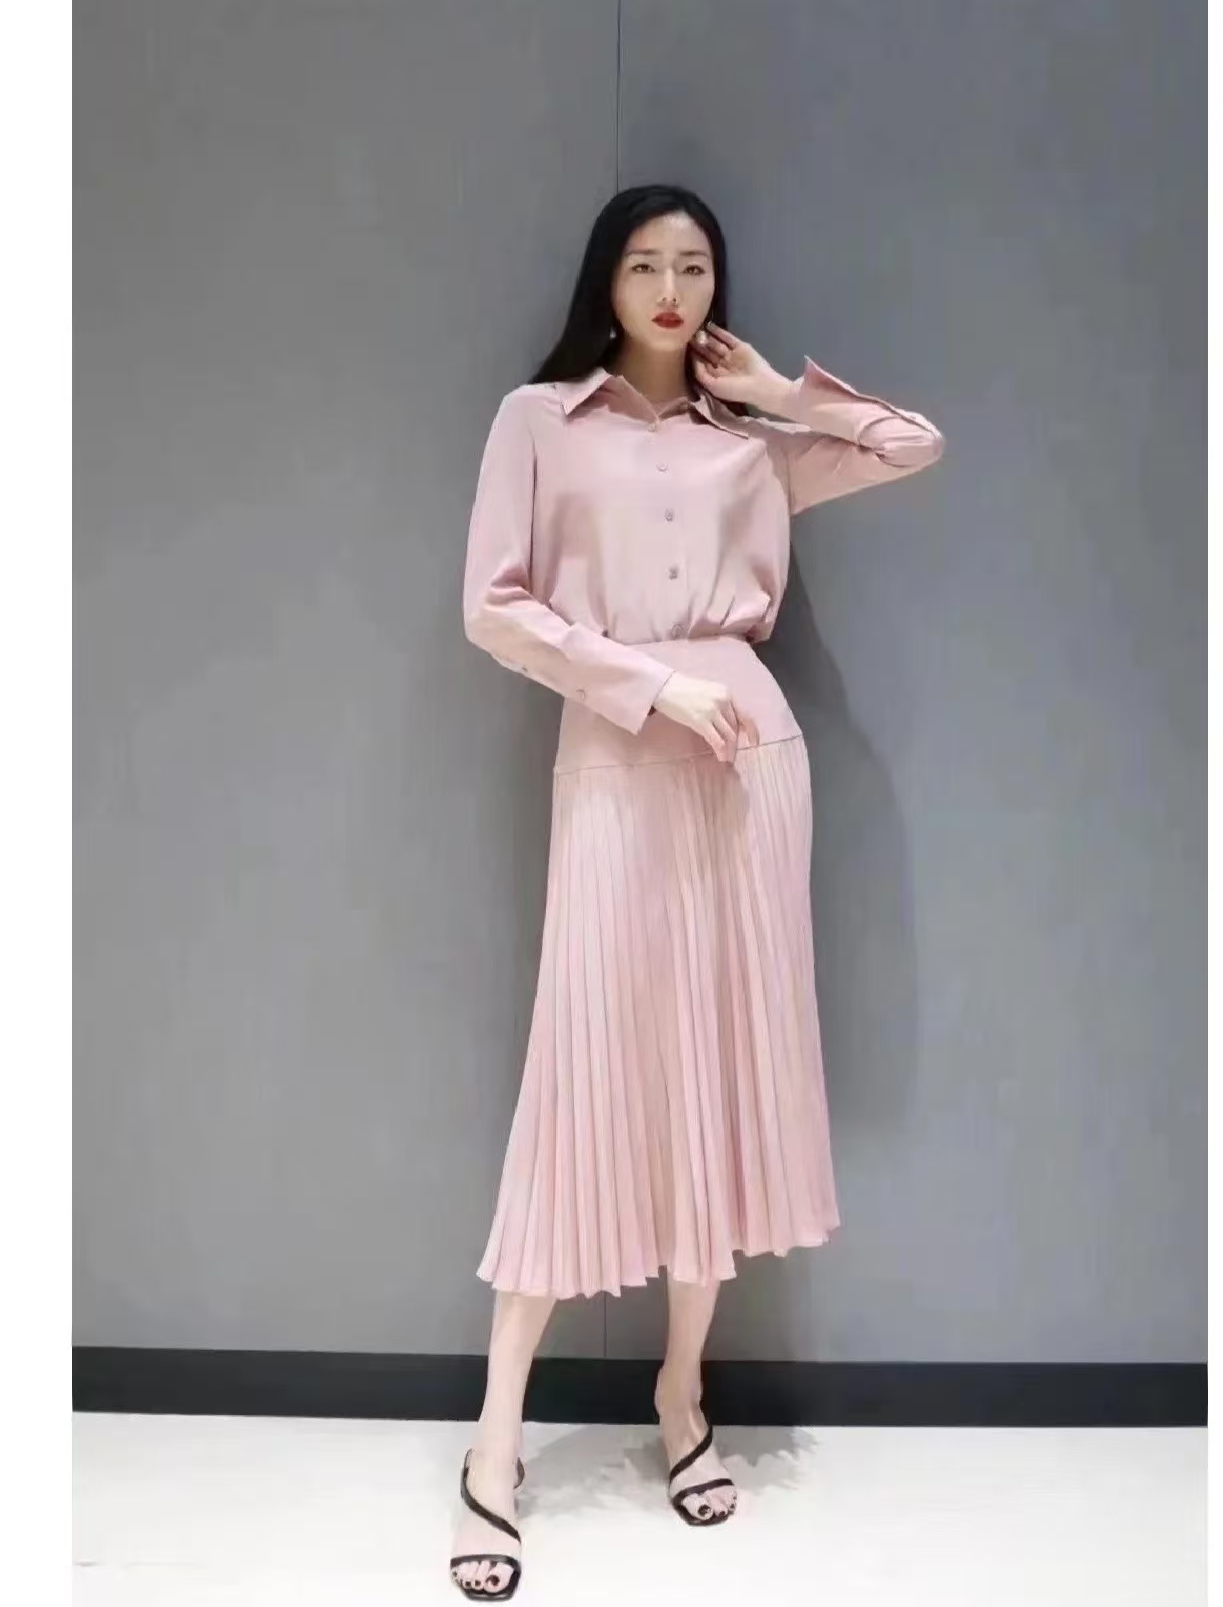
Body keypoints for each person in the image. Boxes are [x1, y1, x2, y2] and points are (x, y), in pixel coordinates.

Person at [449, 182, 945, 1599]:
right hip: (620, 753)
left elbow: (912, 442)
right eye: (644, 265)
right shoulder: (538, 421)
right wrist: (648, 683)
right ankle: (495, 1442)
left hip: (751, 770)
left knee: (719, 1076)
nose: (670, 290)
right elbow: (494, 605)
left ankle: (681, 1395)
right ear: (604, 283)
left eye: (694, 266)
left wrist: (779, 392)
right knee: (585, 1068)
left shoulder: (750, 443)